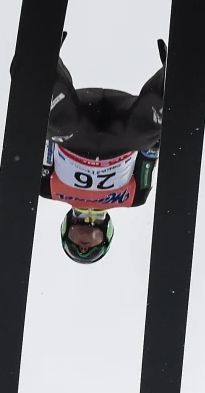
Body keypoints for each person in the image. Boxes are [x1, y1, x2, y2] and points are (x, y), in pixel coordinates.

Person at [41, 35, 167, 264]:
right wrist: (156, 138)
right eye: (93, 246)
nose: (83, 247)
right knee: (141, 135)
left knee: (60, 125)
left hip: (76, 132)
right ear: (106, 235)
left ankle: (43, 64)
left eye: (75, 244)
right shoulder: (134, 198)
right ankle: (170, 85)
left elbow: (45, 150)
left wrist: (44, 127)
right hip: (121, 132)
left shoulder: (47, 189)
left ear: (66, 229)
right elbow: (148, 158)